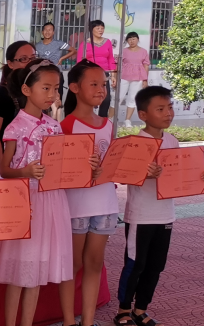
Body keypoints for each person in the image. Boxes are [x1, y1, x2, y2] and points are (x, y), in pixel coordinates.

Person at [0, 59, 94, 326]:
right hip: (26, 201)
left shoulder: (54, 126)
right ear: (27, 90)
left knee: (36, 270)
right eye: (46, 88)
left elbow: (62, 164)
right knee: (20, 271)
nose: (52, 95)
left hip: (51, 200)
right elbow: (3, 169)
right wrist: (25, 172)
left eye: (56, 88)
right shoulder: (15, 127)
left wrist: (83, 163)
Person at [114, 86, 204, 326]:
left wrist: (199, 175)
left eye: (170, 107)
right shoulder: (135, 144)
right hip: (141, 216)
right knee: (135, 264)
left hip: (165, 215)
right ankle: (123, 310)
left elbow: (178, 175)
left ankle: (140, 309)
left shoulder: (172, 140)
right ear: (143, 114)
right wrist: (144, 174)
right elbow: (122, 175)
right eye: (160, 109)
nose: (168, 113)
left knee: (156, 266)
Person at [62, 59, 130, 326]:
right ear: (75, 88)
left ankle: (88, 321)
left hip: (105, 204)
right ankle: (70, 321)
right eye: (94, 84)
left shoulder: (107, 124)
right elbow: (61, 170)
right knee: (73, 265)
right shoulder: (66, 125)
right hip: (76, 206)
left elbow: (113, 164)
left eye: (103, 84)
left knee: (94, 264)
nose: (101, 89)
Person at [0, 41, 36, 167]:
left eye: (33, 58)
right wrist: (2, 167)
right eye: (23, 59)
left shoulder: (36, 92)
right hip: (11, 164)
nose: (30, 63)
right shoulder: (2, 94)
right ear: (10, 64)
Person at [77, 20, 116, 118]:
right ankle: (88, 118)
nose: (100, 30)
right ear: (91, 29)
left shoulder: (107, 42)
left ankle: (103, 119)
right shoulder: (85, 44)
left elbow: (111, 59)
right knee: (90, 98)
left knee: (106, 99)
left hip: (104, 74)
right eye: (98, 28)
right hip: (89, 75)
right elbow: (79, 61)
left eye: (102, 28)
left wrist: (113, 75)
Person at [35, 22, 72, 118]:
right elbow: (35, 59)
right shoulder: (37, 46)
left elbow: (73, 50)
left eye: (50, 30)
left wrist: (62, 59)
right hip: (44, 76)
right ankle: (47, 118)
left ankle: (57, 121)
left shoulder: (58, 43)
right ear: (42, 32)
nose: (47, 32)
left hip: (57, 74)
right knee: (45, 97)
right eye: (45, 30)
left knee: (57, 97)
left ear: (53, 32)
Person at [118, 32, 149, 128]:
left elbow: (146, 65)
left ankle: (127, 120)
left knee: (132, 98)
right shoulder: (124, 51)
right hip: (123, 77)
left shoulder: (143, 51)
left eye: (133, 39)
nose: (131, 41)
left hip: (138, 77)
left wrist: (145, 79)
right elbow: (118, 64)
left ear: (138, 39)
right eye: (129, 39)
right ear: (127, 41)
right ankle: (111, 118)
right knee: (118, 97)